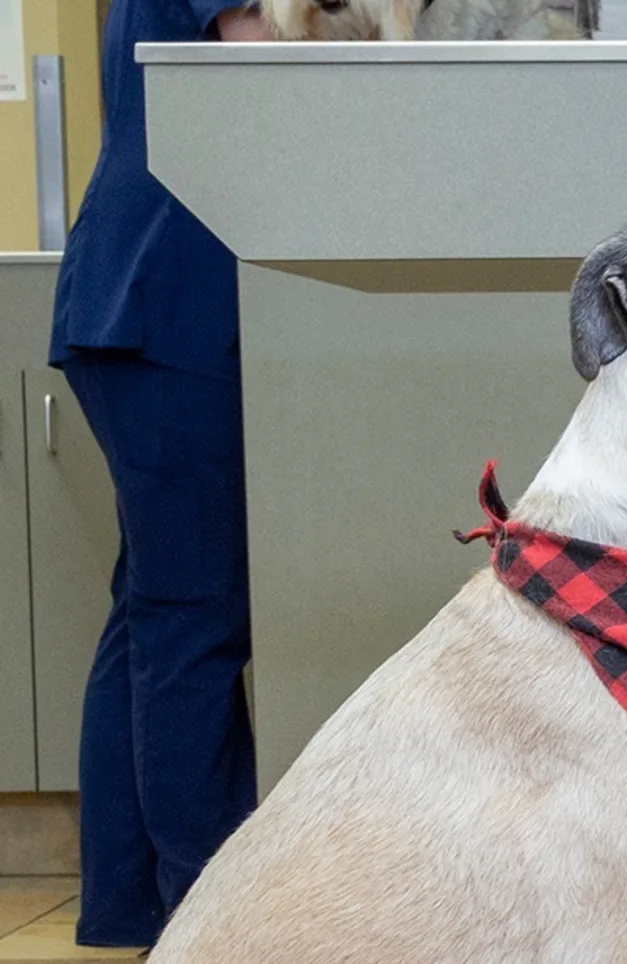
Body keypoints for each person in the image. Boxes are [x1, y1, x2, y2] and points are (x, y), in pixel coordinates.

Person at [48, 0, 270, 949]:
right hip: (168, 301)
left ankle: (128, 904)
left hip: (127, 295)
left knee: (152, 613)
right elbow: (266, 75)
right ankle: (207, 917)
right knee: (193, 624)